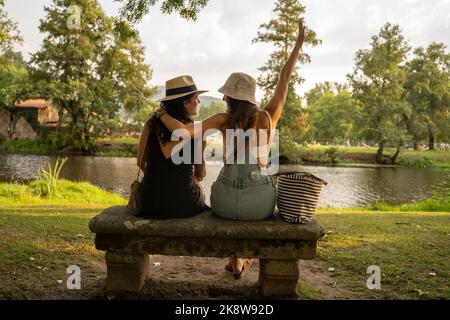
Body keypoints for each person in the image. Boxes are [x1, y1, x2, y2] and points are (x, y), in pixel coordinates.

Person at [156, 20, 306, 279]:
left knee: (227, 188)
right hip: (259, 206)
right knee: (258, 187)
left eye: (226, 94)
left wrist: (160, 114)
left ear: (232, 98)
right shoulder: (268, 117)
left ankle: (237, 260)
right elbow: (285, 76)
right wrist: (298, 43)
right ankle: (242, 260)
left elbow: (182, 132)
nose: (223, 97)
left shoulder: (222, 120)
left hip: (224, 202)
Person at [136, 75, 210, 218]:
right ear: (186, 103)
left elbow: (140, 163)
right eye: (196, 98)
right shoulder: (194, 131)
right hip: (184, 204)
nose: (199, 101)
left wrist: (161, 181)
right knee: (200, 190)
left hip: (150, 203)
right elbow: (200, 174)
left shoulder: (150, 124)